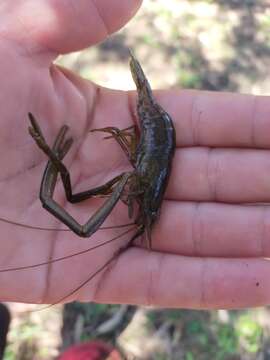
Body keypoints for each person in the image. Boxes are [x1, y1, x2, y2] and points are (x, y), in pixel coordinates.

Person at [0, 0, 270, 310]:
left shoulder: (137, 184)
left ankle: (56, 153)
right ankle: (56, 152)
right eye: (145, 213)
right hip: (156, 131)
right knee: (79, 206)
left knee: (81, 205)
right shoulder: (139, 182)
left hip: (154, 136)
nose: (139, 212)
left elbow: (123, 180)